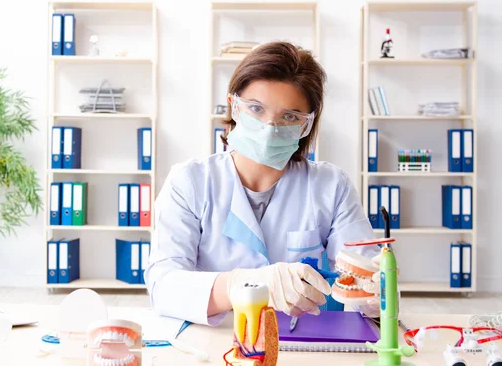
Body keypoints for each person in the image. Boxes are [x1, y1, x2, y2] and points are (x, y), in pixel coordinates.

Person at [144, 41, 378, 326]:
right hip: (217, 338)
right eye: (256, 108)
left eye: (289, 116)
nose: (270, 128)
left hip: (305, 339)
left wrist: (376, 293)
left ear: (307, 125)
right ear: (234, 106)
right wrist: (240, 285)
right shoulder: (190, 181)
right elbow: (163, 286)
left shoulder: (331, 186)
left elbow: (364, 276)